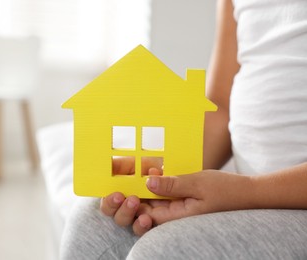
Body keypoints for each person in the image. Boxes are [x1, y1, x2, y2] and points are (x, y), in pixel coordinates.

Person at [60, 0, 307, 259]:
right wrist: (168, 172)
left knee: (163, 252)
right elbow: (220, 108)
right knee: (92, 224)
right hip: (247, 192)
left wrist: (245, 192)